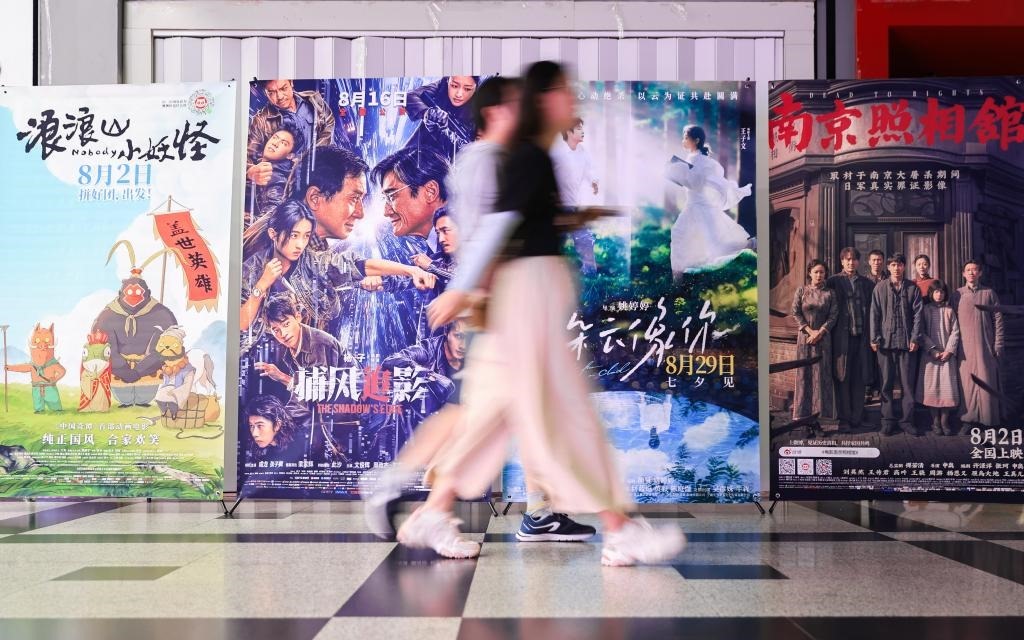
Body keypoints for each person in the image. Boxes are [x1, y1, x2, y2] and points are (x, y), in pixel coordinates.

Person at [407, 61, 685, 566]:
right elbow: (498, 224)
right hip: (527, 294)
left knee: (493, 410)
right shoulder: (525, 155)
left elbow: (517, 221)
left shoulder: (531, 155)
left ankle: (434, 509)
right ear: (544, 98)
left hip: (523, 295)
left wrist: (577, 218)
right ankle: (618, 527)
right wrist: (462, 288)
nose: (572, 101)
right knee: (562, 412)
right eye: (563, 91)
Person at [361, 76, 596, 546]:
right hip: (495, 302)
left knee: (510, 405)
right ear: (495, 113)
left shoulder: (497, 159)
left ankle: (536, 509)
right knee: (483, 407)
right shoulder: (487, 160)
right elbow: (491, 229)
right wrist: (469, 291)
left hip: (499, 299)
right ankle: (414, 493)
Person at [253, 293, 356, 462]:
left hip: (349, 406)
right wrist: (280, 420)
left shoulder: (318, 345)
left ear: (298, 317)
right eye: (276, 330)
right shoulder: (292, 350)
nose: (283, 334)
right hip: (329, 407)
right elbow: (302, 397)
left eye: (286, 324)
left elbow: (317, 391)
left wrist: (282, 377)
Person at [665, 124, 753, 274]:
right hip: (692, 205)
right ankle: (678, 277)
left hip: (700, 206)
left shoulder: (702, 161)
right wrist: (675, 172)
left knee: (716, 242)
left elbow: (696, 183)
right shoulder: (692, 158)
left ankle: (750, 244)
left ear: (696, 140)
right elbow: (690, 181)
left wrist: (676, 169)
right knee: (680, 234)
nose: (683, 141)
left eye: (686, 138)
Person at [870, 253, 923, 436]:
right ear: (888, 267)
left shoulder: (912, 288)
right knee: (886, 384)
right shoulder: (880, 288)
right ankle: (887, 421)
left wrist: (915, 338)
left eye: (899, 264)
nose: (896, 268)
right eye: (893, 265)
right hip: (885, 344)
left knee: (907, 385)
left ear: (904, 267)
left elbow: (918, 316)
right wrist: (874, 338)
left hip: (907, 344)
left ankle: (907, 421)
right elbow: (874, 314)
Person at [247, 79, 335, 187]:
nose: (279, 96)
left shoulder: (313, 99)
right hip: (289, 182)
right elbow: (247, 154)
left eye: (283, 88)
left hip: (321, 170)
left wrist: (313, 156)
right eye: (271, 92)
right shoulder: (260, 121)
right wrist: (250, 172)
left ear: (291, 83)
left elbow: (329, 123)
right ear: (265, 92)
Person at [952, 260, 1004, 428]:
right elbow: (951, 321)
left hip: (986, 346)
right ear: (963, 274)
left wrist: (998, 344)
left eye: (974, 270)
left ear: (980, 273)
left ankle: (989, 421)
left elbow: (998, 320)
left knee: (987, 381)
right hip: (964, 349)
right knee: (967, 383)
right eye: (968, 270)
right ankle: (968, 419)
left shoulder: (989, 293)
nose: (971, 273)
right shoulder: (957, 295)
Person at [828, 248, 874, 431]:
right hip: (841, 338)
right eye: (847, 259)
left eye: (854, 259)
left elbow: (873, 311)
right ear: (842, 261)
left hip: (862, 338)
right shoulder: (833, 281)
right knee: (843, 377)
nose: (851, 263)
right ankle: (844, 419)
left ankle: (857, 417)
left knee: (859, 378)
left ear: (858, 262)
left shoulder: (867, 283)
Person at [791, 259, 838, 423]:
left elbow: (833, 316)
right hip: (805, 338)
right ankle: (803, 415)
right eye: (816, 272)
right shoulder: (802, 291)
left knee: (822, 374)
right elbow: (795, 312)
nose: (819, 275)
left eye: (822, 272)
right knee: (805, 374)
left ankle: (822, 415)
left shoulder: (830, 293)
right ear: (810, 273)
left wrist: (820, 332)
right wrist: (810, 331)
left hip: (824, 338)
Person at [551, 118, 599, 275]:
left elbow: (590, 170)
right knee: (556, 241)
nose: (582, 131)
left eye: (582, 128)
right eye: (578, 128)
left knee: (584, 238)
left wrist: (594, 182)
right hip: (556, 207)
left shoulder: (582, 152)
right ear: (569, 132)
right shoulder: (557, 153)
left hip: (572, 204)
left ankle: (590, 272)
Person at [916, 280, 961, 436]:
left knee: (947, 389)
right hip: (930, 356)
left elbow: (955, 332)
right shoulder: (925, 310)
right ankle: (935, 421)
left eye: (941, 292)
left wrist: (949, 351)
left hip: (947, 356)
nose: (939, 294)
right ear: (931, 294)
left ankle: (945, 421)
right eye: (936, 291)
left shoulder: (950, 310)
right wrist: (932, 350)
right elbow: (921, 332)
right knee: (932, 389)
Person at [405, 76, 478, 161]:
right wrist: (427, 113)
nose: (459, 94)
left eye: (467, 89)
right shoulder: (443, 84)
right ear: (448, 80)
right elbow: (409, 96)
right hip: (416, 150)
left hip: (447, 160)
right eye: (454, 86)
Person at [247, 123, 305, 223]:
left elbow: (272, 213)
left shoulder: (274, 174)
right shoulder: (260, 163)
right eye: (275, 138)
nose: (275, 143)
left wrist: (248, 219)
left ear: (290, 155)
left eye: (283, 143)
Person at [245, 394, 306, 464]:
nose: (254, 434)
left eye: (260, 426)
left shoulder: (297, 450)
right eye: (251, 426)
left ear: (277, 425)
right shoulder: (258, 448)